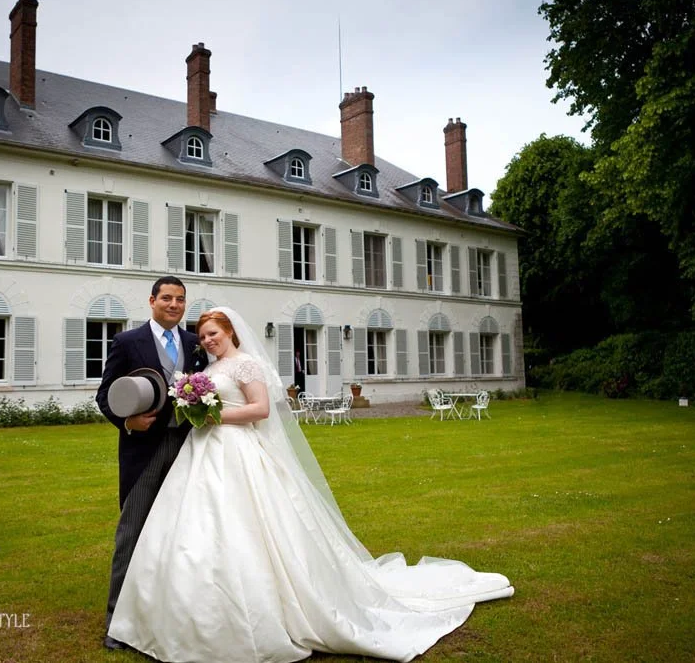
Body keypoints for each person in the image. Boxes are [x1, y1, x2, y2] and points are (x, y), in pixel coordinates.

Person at [108, 307, 514, 662]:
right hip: (201, 454)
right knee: (189, 529)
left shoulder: (247, 365)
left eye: (214, 333)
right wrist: (195, 408)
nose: (208, 340)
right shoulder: (208, 370)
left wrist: (213, 416)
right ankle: (180, 613)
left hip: (237, 452)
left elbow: (261, 410)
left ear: (230, 331)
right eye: (204, 335)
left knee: (243, 527)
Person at [95, 276, 205, 652]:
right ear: (152, 301)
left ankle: (168, 614)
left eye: (180, 299)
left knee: (180, 535)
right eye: (167, 298)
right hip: (143, 452)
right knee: (132, 534)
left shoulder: (194, 343)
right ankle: (117, 623)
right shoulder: (127, 342)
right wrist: (127, 421)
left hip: (188, 448)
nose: (174, 305)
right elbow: (105, 394)